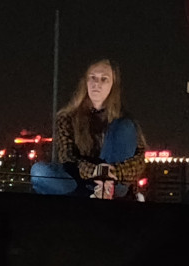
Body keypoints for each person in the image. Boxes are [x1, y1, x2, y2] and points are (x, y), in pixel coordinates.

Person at [31, 58, 147, 198]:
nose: (96, 84)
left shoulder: (124, 121)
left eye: (104, 79)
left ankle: (104, 193)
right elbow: (67, 157)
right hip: (79, 182)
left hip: (113, 185)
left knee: (125, 126)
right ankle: (94, 195)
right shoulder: (67, 117)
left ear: (113, 86)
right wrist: (96, 172)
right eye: (92, 78)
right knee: (39, 171)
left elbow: (139, 161)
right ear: (85, 82)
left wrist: (111, 174)